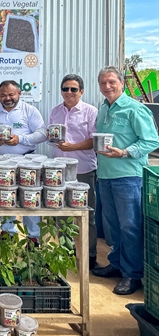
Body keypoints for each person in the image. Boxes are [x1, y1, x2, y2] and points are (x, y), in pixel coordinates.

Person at [91, 66, 159, 295]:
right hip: (106, 176)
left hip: (128, 177)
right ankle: (117, 264)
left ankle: (133, 275)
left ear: (122, 83)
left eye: (111, 82)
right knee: (113, 226)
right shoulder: (104, 108)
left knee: (130, 226)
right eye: (103, 83)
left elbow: (151, 141)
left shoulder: (135, 109)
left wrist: (125, 152)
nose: (107, 86)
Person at [0, 80, 47, 247]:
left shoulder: (29, 111)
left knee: (30, 198)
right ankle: (7, 232)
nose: (7, 98)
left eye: (11, 94)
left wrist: (20, 139)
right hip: (1, 162)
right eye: (3, 95)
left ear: (19, 94)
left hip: (27, 162)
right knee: (5, 197)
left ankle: (33, 237)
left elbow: (43, 133)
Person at [49, 74, 99, 269]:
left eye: (73, 89)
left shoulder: (90, 112)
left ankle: (90, 255)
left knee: (87, 214)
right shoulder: (55, 111)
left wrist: (72, 147)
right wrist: (51, 138)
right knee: (61, 212)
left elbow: (94, 140)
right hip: (59, 169)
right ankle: (66, 252)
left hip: (83, 169)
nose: (68, 92)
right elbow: (51, 134)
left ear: (81, 91)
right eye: (65, 89)